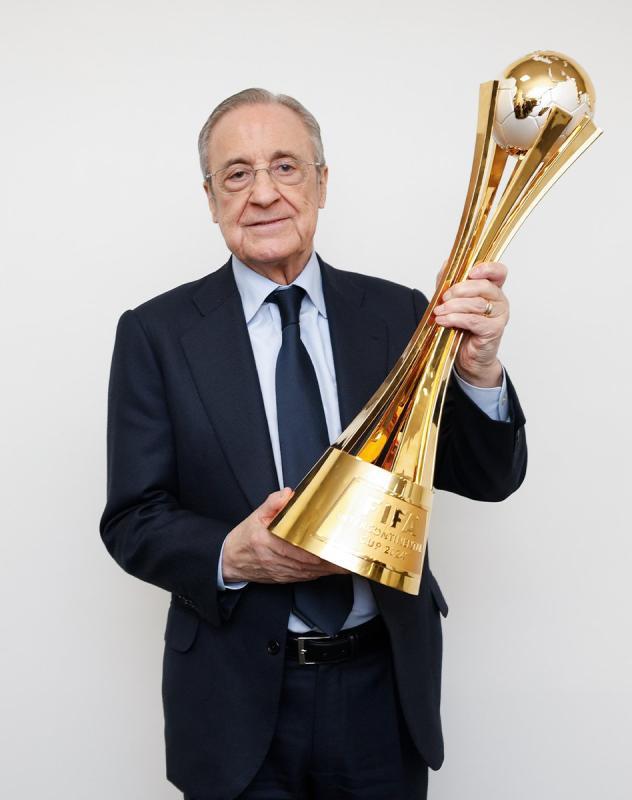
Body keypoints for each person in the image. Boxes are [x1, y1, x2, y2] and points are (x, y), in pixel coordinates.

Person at [100, 88, 527, 800]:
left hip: (384, 692)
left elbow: (486, 476)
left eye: (285, 166)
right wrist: (229, 555)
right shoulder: (156, 334)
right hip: (236, 701)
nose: (263, 193)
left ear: (322, 183)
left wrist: (480, 371)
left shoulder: (399, 314)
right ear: (211, 199)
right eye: (237, 173)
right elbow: (132, 518)